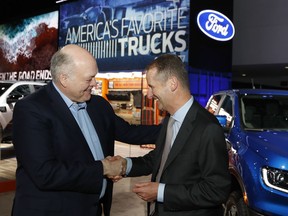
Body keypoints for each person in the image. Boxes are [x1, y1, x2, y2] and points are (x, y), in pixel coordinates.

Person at [11, 44, 160, 216]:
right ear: (64, 79)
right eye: (89, 79)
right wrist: (103, 168)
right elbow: (45, 173)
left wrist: (176, 127)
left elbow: (131, 132)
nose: (95, 84)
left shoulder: (98, 105)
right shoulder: (31, 109)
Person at [119, 54, 231, 216]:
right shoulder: (170, 119)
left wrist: (161, 192)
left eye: (152, 86)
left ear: (172, 84)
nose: (148, 95)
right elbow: (159, 159)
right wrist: (124, 165)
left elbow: (216, 190)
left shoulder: (208, 128)